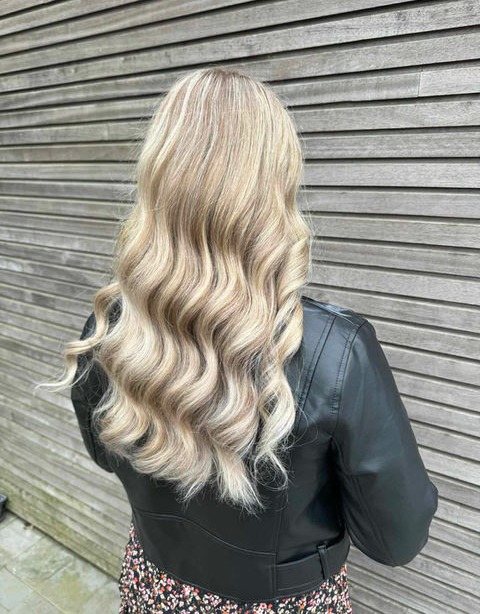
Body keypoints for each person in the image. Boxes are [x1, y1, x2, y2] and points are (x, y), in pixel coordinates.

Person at [47, 67, 438, 613]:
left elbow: (106, 454)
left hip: (153, 589)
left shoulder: (111, 327)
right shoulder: (336, 355)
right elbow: (397, 539)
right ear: (276, 186)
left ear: (158, 177)